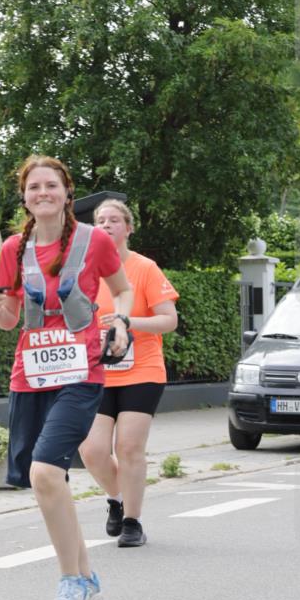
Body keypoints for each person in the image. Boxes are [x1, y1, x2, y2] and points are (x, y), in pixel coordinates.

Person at [0, 156, 132, 600]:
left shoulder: (96, 241)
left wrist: (121, 323)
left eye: (51, 185)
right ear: (25, 197)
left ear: (67, 193)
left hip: (82, 371)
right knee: (48, 479)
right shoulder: (13, 248)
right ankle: (86, 578)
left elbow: (122, 290)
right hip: (29, 374)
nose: (42, 193)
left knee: (46, 473)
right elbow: (11, 320)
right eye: (33, 187)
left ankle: (71, 583)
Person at [79, 200, 178, 546]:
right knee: (91, 450)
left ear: (129, 228)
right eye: (100, 220)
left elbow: (169, 320)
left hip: (142, 369)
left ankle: (133, 522)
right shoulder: (85, 271)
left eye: (115, 220)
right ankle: (116, 499)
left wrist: (127, 321)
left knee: (129, 447)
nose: (107, 225)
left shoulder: (145, 268)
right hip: (98, 371)